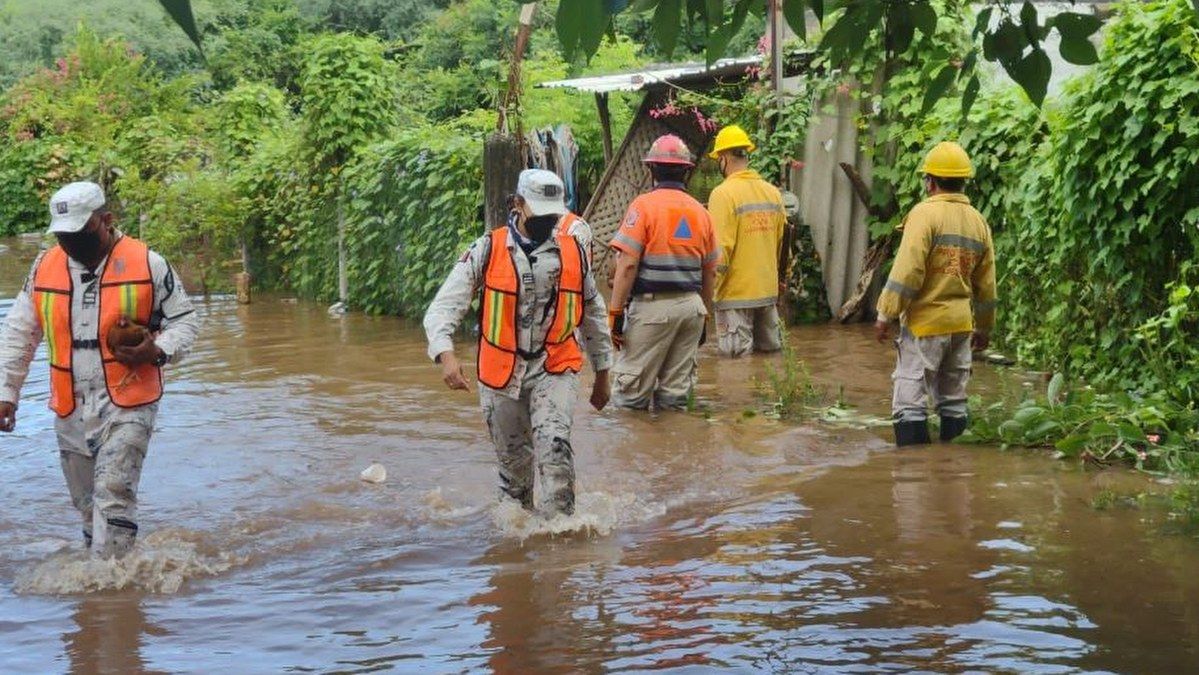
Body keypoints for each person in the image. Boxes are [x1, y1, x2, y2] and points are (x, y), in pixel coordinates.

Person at [0, 181, 199, 558]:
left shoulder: (148, 263)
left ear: (106, 220)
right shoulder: (44, 266)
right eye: (63, 236)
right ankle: (102, 579)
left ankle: (111, 592)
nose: (71, 244)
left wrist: (157, 350)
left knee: (113, 493)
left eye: (80, 233)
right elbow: (19, 333)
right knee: (86, 504)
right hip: (70, 403)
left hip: (130, 400)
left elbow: (186, 322)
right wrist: (6, 392)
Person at [424, 169, 612, 517]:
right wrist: (445, 354)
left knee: (555, 448)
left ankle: (562, 542)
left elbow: (593, 313)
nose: (547, 222)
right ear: (517, 204)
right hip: (501, 373)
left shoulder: (574, 252)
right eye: (539, 213)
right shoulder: (488, 248)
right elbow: (443, 307)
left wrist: (603, 372)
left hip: (554, 366)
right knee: (514, 475)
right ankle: (518, 546)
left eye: (552, 215)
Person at [874, 142, 998, 446]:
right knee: (954, 400)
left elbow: (908, 271)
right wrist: (984, 326)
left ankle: (913, 479)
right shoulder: (978, 221)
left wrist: (885, 313)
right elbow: (987, 284)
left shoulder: (924, 214)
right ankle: (951, 473)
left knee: (909, 401)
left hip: (925, 325)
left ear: (930, 181)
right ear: (963, 181)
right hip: (960, 326)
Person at [607, 134, 718, 410]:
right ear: (686, 171)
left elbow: (628, 264)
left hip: (652, 308)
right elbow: (711, 273)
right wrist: (705, 317)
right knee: (675, 399)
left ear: (651, 170)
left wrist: (615, 313)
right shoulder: (701, 213)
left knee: (629, 401)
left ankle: (642, 450)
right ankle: (675, 446)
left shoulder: (643, 206)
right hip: (692, 309)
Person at [706, 125, 788, 358]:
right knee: (770, 362)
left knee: (735, 366)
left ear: (723, 158)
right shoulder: (772, 192)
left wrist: (709, 292)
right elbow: (783, 244)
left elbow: (720, 252)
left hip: (734, 296)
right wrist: (780, 280)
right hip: (767, 292)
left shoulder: (723, 194)